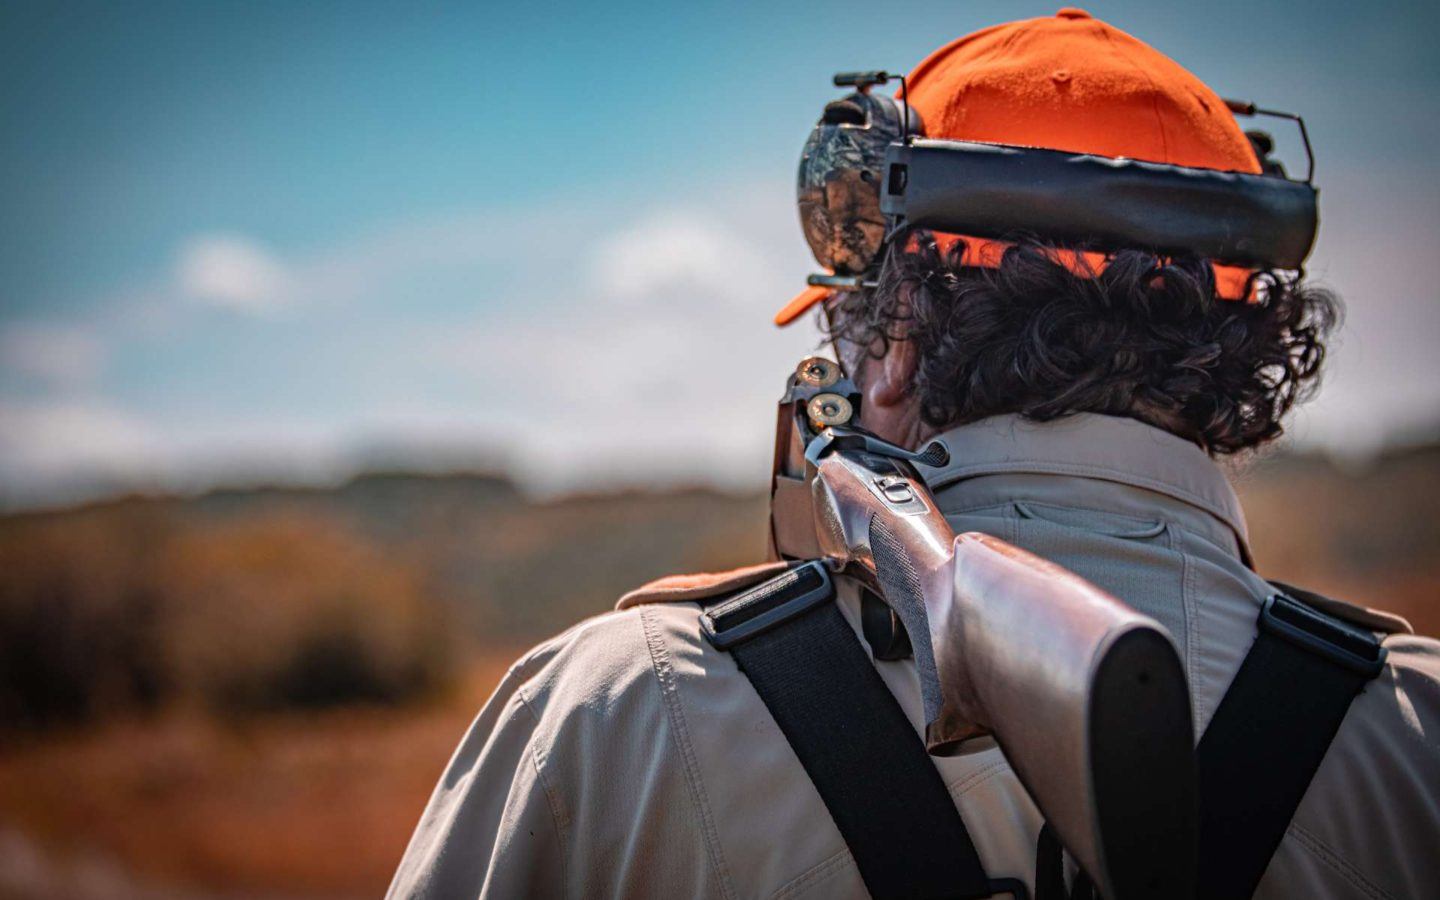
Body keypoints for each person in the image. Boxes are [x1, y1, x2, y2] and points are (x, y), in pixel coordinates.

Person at [388, 10, 1439, 899]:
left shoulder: (613, 714)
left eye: (854, 329)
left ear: (891, 351)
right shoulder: (1420, 739)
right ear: (1236, 359)